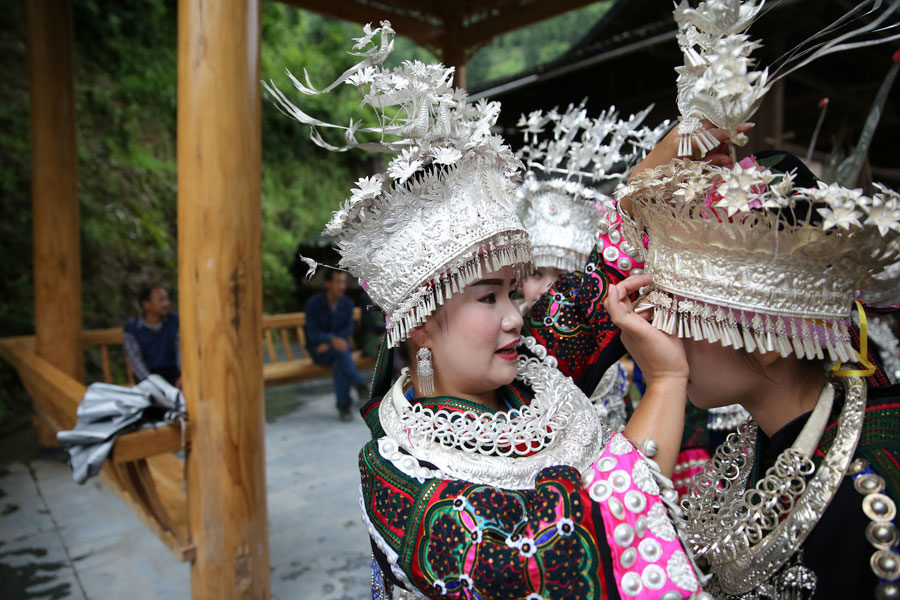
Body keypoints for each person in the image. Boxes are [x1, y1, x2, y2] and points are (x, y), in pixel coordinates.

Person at [266, 22, 704, 600]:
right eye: (488, 297)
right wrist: (669, 382)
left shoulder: (534, 373)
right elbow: (567, 550)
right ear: (420, 321)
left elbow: (610, 270)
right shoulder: (399, 473)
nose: (516, 316)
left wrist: (676, 153)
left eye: (513, 292)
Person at [607, 3, 900, 598]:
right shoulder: (749, 453)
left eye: (682, 310)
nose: (657, 324)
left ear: (767, 344)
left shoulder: (869, 501)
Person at [304, 270, 367, 421]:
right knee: (341, 354)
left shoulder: (347, 304)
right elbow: (311, 332)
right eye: (338, 282)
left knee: (340, 359)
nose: (342, 286)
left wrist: (334, 342)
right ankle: (358, 383)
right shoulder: (314, 304)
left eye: (344, 282)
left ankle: (344, 406)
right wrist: (331, 340)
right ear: (328, 284)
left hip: (338, 350)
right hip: (319, 351)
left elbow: (348, 329)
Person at [123, 285, 181, 387]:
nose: (166, 304)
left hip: (174, 374)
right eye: (161, 300)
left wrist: (182, 375)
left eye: (167, 299)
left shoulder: (175, 321)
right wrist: (151, 383)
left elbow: (181, 351)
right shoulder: (132, 329)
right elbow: (135, 361)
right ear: (146, 304)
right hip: (148, 377)